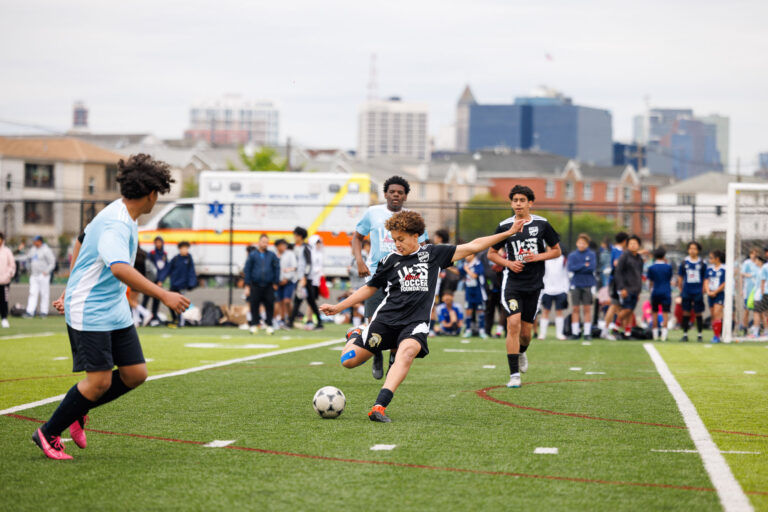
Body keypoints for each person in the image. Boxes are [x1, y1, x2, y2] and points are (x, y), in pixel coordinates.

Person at [34, 153, 189, 460]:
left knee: (135, 374)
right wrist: (164, 295)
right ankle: (49, 433)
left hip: (113, 307)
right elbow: (119, 268)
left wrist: (70, 285)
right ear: (150, 194)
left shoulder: (121, 212)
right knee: (99, 382)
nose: (156, 200)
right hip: (90, 309)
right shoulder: (117, 224)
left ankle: (78, 411)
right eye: (157, 194)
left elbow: (81, 241)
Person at [319, 210, 524, 422]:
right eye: (394, 239)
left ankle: (379, 406)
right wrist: (338, 307)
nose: (397, 244)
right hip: (386, 320)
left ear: (415, 236)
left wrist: (508, 232)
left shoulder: (433, 254)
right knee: (348, 361)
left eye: (401, 239)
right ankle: (356, 333)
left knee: (407, 352)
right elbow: (370, 288)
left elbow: (474, 245)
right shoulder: (389, 260)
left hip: (414, 323)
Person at [351, 175, 427, 379]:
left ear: (405, 196)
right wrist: (360, 260)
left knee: (398, 322)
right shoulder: (373, 212)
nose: (395, 195)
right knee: (372, 321)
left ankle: (394, 358)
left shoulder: (412, 218)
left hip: (403, 278)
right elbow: (357, 237)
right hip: (376, 275)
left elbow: (423, 245)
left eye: (400, 192)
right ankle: (376, 355)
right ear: (385, 194)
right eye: (392, 191)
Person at [487, 185, 561, 389]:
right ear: (511, 203)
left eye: (522, 200)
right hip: (512, 284)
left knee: (526, 333)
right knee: (513, 324)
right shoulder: (504, 226)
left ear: (530, 203)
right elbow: (491, 253)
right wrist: (509, 263)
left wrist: (537, 256)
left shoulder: (542, 224)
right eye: (515, 200)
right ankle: (514, 375)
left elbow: (556, 251)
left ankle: (521, 352)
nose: (518, 204)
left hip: (535, 284)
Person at [244, 234, 280, 334]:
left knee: (269, 305)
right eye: (263, 242)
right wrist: (247, 284)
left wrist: (275, 282)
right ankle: (254, 324)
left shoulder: (271, 255)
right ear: (259, 242)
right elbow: (248, 270)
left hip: (268, 285)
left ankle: (269, 325)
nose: (265, 244)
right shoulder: (253, 255)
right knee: (254, 305)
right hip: (255, 284)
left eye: (266, 242)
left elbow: (276, 268)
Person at [289, 227, 322, 330]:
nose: (294, 237)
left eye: (295, 235)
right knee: (307, 301)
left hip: (306, 280)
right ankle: (319, 323)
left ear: (300, 236)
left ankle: (289, 322)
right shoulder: (300, 247)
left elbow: (308, 264)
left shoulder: (306, 248)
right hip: (303, 279)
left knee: (300, 301)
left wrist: (304, 277)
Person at [567, 233, 597, 340]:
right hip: (576, 284)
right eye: (579, 243)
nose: (581, 245)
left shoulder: (592, 254)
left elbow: (591, 268)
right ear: (576, 243)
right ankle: (575, 332)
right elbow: (571, 268)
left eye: (583, 243)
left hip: (588, 284)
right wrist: (584, 265)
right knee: (575, 309)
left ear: (587, 244)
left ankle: (587, 333)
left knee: (587, 309)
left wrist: (580, 268)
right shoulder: (572, 255)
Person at [614, 235, 644, 339]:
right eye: (631, 243)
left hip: (636, 289)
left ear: (639, 245)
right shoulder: (624, 256)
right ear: (627, 245)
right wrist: (621, 288)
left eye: (635, 243)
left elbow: (640, 274)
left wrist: (639, 291)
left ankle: (627, 333)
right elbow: (618, 272)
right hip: (626, 288)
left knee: (631, 311)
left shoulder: (639, 258)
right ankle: (615, 328)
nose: (633, 245)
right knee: (626, 309)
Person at [677, 241, 707, 342]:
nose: (692, 250)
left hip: (698, 291)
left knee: (698, 313)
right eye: (690, 248)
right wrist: (680, 288)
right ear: (688, 250)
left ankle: (699, 334)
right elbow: (680, 276)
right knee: (686, 312)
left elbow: (705, 277)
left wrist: (704, 288)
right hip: (687, 291)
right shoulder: (684, 262)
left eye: (694, 248)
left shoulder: (702, 263)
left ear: (698, 251)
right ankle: (685, 334)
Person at [600, 232, 629, 338]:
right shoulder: (618, 251)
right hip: (617, 282)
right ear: (625, 241)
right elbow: (616, 263)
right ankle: (606, 330)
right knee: (614, 306)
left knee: (619, 307)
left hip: (616, 281)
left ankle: (619, 329)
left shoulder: (617, 250)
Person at [539, 254, 569, 340]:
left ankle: (559, 334)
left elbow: (566, 274)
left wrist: (565, 290)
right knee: (545, 311)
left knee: (559, 311)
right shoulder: (545, 258)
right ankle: (542, 334)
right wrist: (542, 289)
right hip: (547, 290)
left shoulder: (563, 259)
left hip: (560, 290)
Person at [646, 247, 674, 341]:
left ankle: (655, 335)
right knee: (665, 313)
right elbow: (669, 278)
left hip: (655, 292)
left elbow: (650, 281)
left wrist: (650, 290)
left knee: (654, 313)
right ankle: (664, 335)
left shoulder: (651, 268)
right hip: (666, 291)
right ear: (664, 256)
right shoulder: (668, 267)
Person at [24, 235, 56, 317]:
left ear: (40, 241)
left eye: (36, 241)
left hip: (43, 275)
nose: (34, 242)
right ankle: (30, 311)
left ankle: (44, 311)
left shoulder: (46, 250)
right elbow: (28, 258)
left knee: (44, 294)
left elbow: (52, 263)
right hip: (34, 275)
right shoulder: (33, 249)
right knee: (32, 293)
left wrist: (46, 271)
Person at [167, 241, 197, 327]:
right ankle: (174, 318)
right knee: (170, 302)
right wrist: (160, 280)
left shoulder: (189, 259)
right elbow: (167, 270)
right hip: (174, 285)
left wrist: (191, 283)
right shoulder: (175, 259)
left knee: (180, 304)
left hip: (182, 286)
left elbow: (192, 272)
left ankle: (181, 321)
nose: (185, 250)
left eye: (186, 248)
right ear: (179, 249)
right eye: (183, 248)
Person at [459, 252, 487, 338]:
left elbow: (475, 275)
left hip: (478, 291)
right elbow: (459, 272)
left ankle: (481, 330)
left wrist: (467, 269)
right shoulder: (465, 264)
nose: (466, 257)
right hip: (469, 291)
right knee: (468, 311)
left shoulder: (478, 264)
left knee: (480, 311)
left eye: (469, 255)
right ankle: (468, 330)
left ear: (473, 255)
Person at [143, 236, 169, 323]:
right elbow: (148, 267)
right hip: (150, 281)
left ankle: (154, 316)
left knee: (157, 299)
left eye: (159, 242)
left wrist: (161, 280)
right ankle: (142, 315)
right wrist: (150, 279)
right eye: (156, 242)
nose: (158, 244)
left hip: (159, 282)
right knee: (146, 298)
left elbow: (165, 269)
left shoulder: (164, 254)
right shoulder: (151, 254)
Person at [704, 249, 726, 343]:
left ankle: (718, 336)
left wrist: (716, 292)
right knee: (713, 315)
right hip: (711, 294)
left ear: (717, 259)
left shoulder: (724, 269)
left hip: (719, 294)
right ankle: (715, 334)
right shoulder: (709, 269)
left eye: (711, 258)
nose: (710, 260)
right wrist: (708, 291)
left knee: (717, 313)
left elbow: (725, 283)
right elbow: (706, 280)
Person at [275, 238, 297, 329]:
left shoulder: (290, 254)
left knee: (287, 301)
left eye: (284, 245)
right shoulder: (275, 255)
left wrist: (287, 278)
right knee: (280, 302)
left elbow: (294, 267)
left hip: (289, 281)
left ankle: (290, 318)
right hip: (278, 282)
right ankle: (282, 319)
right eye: (281, 245)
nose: (283, 247)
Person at [740, 247, 761, 336]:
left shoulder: (759, 264)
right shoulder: (747, 263)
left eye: (755, 253)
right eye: (752, 253)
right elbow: (742, 274)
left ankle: (757, 329)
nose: (754, 255)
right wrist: (741, 288)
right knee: (746, 310)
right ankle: (745, 328)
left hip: (757, 291)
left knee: (758, 311)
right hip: (748, 290)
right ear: (750, 254)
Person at [0, 232, 16, 328]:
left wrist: (8, 275)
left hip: (4, 282)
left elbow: (12, 265)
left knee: (3, 301)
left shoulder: (7, 251)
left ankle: (4, 318)